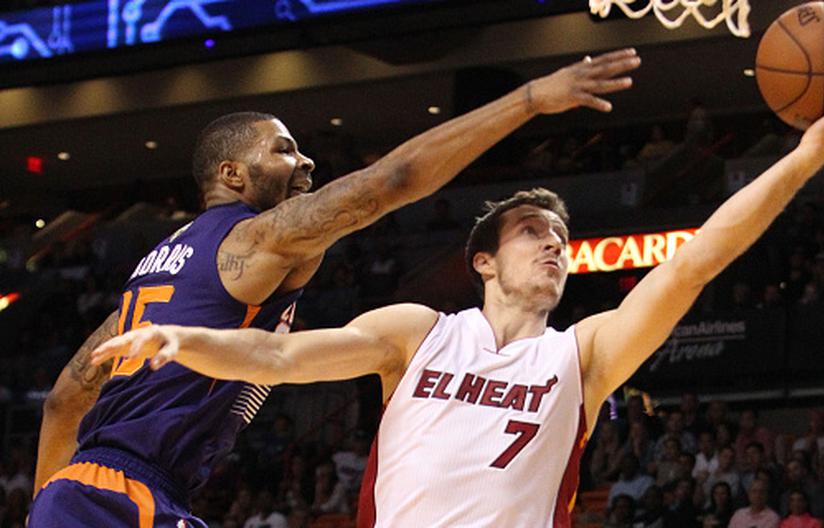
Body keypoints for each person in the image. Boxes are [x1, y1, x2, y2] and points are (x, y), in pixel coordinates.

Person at [93, 67, 824, 526]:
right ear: (481, 260)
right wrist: (181, 340)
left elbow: (694, 266)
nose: (554, 243)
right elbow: (279, 354)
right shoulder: (416, 333)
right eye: (532, 231)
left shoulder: (583, 354)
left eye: (561, 238)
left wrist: (809, 153)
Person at [30, 48, 642, 528]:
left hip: (95, 487)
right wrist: (531, 99)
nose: (307, 164)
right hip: (128, 492)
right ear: (232, 174)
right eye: (285, 151)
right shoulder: (254, 240)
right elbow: (394, 180)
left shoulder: (160, 264)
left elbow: (65, 399)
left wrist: (49, 504)